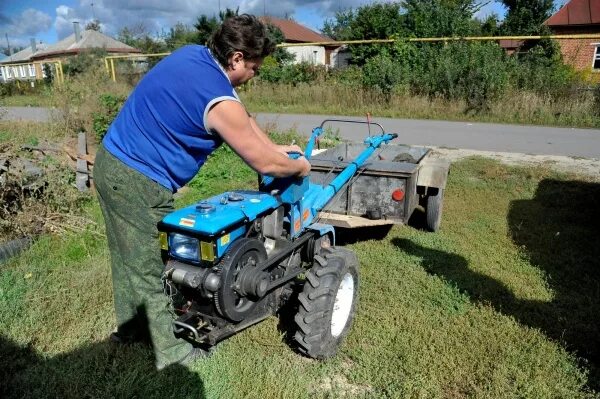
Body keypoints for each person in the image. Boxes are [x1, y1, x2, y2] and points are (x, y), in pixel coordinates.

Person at [93, 14, 311, 370]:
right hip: (136, 179)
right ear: (237, 57)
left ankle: (130, 330)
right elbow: (265, 165)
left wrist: (275, 146)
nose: (254, 75)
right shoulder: (218, 99)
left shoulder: (193, 56)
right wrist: (299, 166)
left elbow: (245, 118)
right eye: (254, 67)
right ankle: (172, 352)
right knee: (150, 266)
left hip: (110, 163)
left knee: (126, 255)